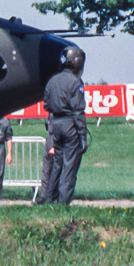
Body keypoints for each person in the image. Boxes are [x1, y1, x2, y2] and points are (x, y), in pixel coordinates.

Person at [38, 46, 87, 205]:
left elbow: (46, 105)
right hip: (69, 124)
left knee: (57, 165)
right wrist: (82, 136)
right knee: (69, 166)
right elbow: (78, 111)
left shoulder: (52, 81)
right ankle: (63, 203)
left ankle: (50, 200)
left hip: (55, 125)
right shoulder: (75, 82)